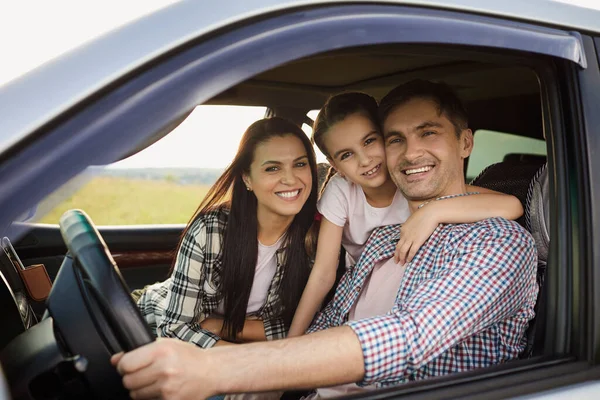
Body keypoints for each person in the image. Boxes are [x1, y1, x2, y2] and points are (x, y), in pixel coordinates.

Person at [112, 80, 539, 400]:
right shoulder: (381, 240)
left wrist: (220, 367)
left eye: (428, 133)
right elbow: (325, 317)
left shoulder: (495, 243)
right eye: (395, 140)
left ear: (465, 142)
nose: (409, 154)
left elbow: (408, 336)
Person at [287, 92, 523, 337]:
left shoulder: (413, 183)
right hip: (360, 283)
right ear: (334, 165)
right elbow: (324, 273)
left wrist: (433, 211)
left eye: (369, 141)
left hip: (408, 278)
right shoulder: (342, 191)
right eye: (347, 155)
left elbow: (510, 205)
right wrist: (292, 342)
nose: (365, 160)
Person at [135, 117, 318, 350]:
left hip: (223, 340)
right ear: (247, 178)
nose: (291, 179)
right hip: (147, 325)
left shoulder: (315, 237)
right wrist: (249, 359)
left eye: (300, 164)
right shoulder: (210, 230)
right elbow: (175, 329)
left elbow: (309, 326)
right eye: (273, 168)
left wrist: (222, 327)